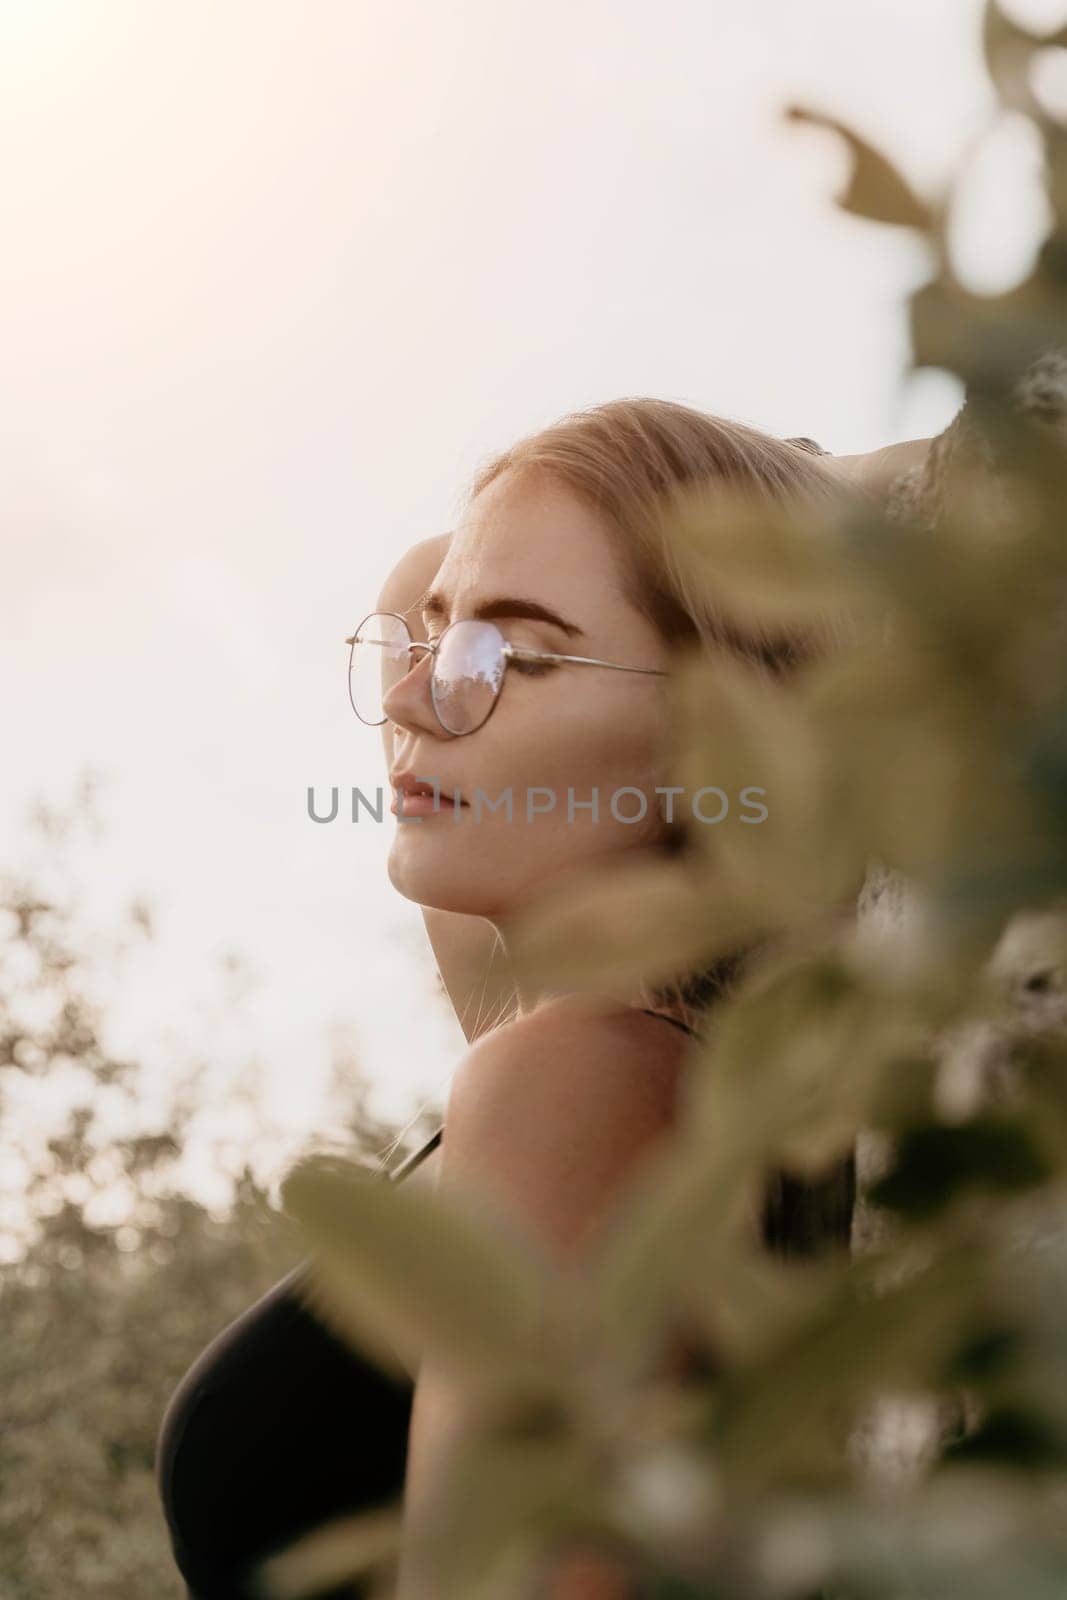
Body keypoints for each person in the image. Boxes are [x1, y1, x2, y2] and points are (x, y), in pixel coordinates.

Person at [155, 399, 932, 1599]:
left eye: (509, 659)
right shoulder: (654, 1065)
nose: (415, 700)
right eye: (434, 641)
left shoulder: (567, 1079)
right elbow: (413, 577)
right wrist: (795, 497)